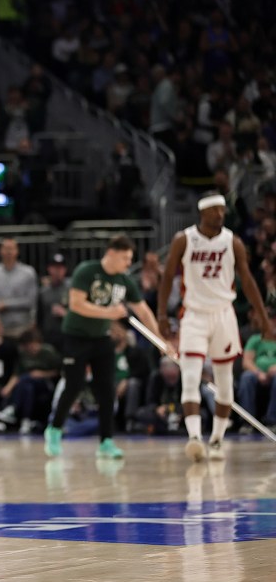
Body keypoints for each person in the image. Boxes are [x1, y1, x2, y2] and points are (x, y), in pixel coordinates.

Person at [157, 193, 272, 461]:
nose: (221, 215)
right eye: (215, 211)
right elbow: (166, 279)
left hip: (224, 314)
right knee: (190, 377)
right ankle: (195, 437)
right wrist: (162, 314)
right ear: (202, 213)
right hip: (194, 315)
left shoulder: (233, 241)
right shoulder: (184, 240)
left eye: (222, 210)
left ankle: (218, 440)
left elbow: (248, 281)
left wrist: (264, 320)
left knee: (224, 382)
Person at [44, 234, 168, 460]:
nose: (129, 264)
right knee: (74, 385)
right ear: (111, 254)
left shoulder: (124, 280)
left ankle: (106, 441)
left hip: (101, 338)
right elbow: (76, 304)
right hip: (76, 336)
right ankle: (54, 430)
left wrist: (159, 339)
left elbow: (143, 312)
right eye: (125, 258)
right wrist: (109, 313)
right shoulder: (87, 271)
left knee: (106, 390)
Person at [0, 238, 38, 339]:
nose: (8, 252)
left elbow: (31, 301)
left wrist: (7, 305)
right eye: (6, 248)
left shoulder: (28, 273)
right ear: (0, 251)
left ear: (17, 251)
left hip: (22, 328)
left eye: (11, 248)